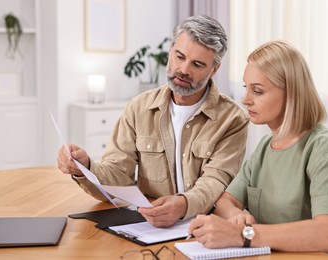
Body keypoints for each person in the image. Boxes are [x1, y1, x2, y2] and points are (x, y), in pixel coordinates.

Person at [188, 40, 328, 259]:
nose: (245, 99)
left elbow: (327, 234)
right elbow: (225, 201)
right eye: (246, 88)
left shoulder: (324, 149)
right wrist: (235, 216)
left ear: (292, 94)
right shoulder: (264, 149)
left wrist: (243, 233)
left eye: (257, 91)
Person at [57, 15, 249, 228]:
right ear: (171, 50)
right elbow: (118, 176)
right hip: (149, 226)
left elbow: (215, 182)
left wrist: (183, 205)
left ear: (214, 69)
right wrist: (86, 167)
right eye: (179, 56)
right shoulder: (138, 108)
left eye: (197, 64)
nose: (184, 69)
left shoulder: (232, 119)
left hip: (206, 229)